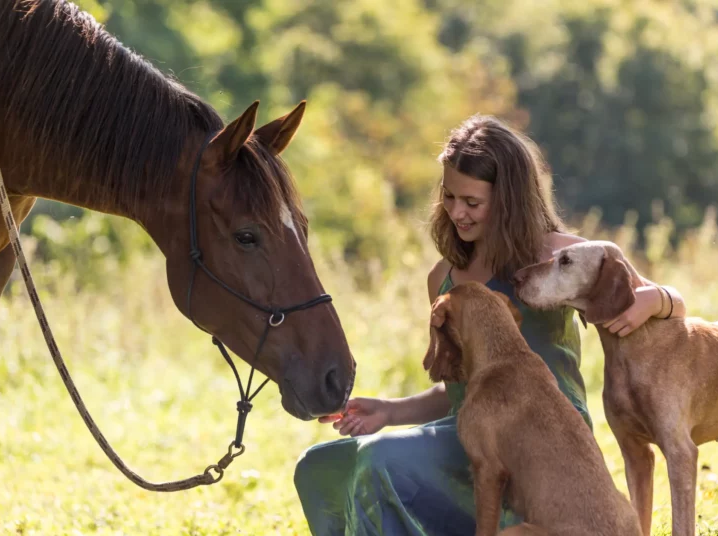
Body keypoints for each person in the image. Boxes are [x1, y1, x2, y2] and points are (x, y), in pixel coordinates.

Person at [294, 114, 686, 535]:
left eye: (472, 202)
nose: (457, 212)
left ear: (509, 198)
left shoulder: (564, 258)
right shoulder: (443, 278)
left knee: (380, 460)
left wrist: (656, 299)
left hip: (544, 442)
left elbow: (671, 305)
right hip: (471, 434)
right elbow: (461, 388)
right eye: (449, 197)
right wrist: (390, 411)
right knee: (320, 467)